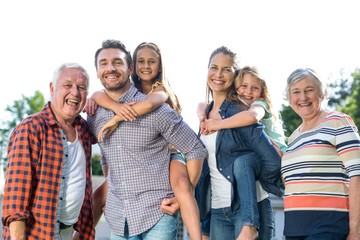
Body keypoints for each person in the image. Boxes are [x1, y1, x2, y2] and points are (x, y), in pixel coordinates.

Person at [87, 39, 207, 240]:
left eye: (117, 62)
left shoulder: (156, 102)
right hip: (119, 218)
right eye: (104, 63)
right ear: (97, 72)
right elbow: (106, 156)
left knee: (182, 186)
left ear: (128, 68)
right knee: (98, 194)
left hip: (158, 209)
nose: (111, 68)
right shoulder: (95, 112)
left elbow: (196, 148)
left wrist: (180, 197)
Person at [195, 46, 282, 240]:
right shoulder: (205, 115)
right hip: (218, 213)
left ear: (235, 76)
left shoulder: (238, 112)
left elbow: (272, 162)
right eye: (214, 67)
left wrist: (262, 180)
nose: (218, 74)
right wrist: (204, 226)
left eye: (226, 69)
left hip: (249, 211)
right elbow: (205, 174)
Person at [1, 63, 96, 239]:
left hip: (68, 232)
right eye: (67, 85)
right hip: (36, 234)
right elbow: (16, 198)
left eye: (81, 87)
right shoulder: (31, 129)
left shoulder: (83, 129)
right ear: (52, 88)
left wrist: (99, 100)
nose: (75, 92)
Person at [281, 68, 360, 240]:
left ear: (322, 94)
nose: (303, 97)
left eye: (309, 90)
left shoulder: (338, 122)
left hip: (329, 225)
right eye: (296, 92)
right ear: (290, 98)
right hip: (294, 229)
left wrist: (356, 230)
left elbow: (357, 174)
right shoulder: (293, 138)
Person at [198, 66, 287, 155]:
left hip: (278, 154)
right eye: (244, 86)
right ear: (236, 88)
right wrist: (202, 117)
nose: (249, 91)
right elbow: (203, 104)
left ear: (262, 91)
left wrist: (217, 124)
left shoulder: (261, 104)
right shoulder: (238, 106)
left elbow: (253, 116)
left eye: (255, 88)